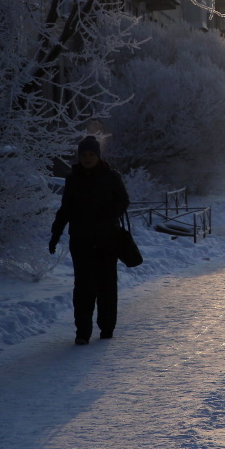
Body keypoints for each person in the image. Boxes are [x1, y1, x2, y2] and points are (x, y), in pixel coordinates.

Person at [49, 136, 130, 346]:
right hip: (81, 240)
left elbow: (123, 201)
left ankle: (107, 327)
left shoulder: (111, 177)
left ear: (98, 156)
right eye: (83, 155)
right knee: (83, 287)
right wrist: (55, 234)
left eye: (91, 154)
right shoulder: (73, 178)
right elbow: (65, 208)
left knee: (106, 285)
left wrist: (108, 213)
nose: (87, 158)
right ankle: (82, 332)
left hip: (107, 239)